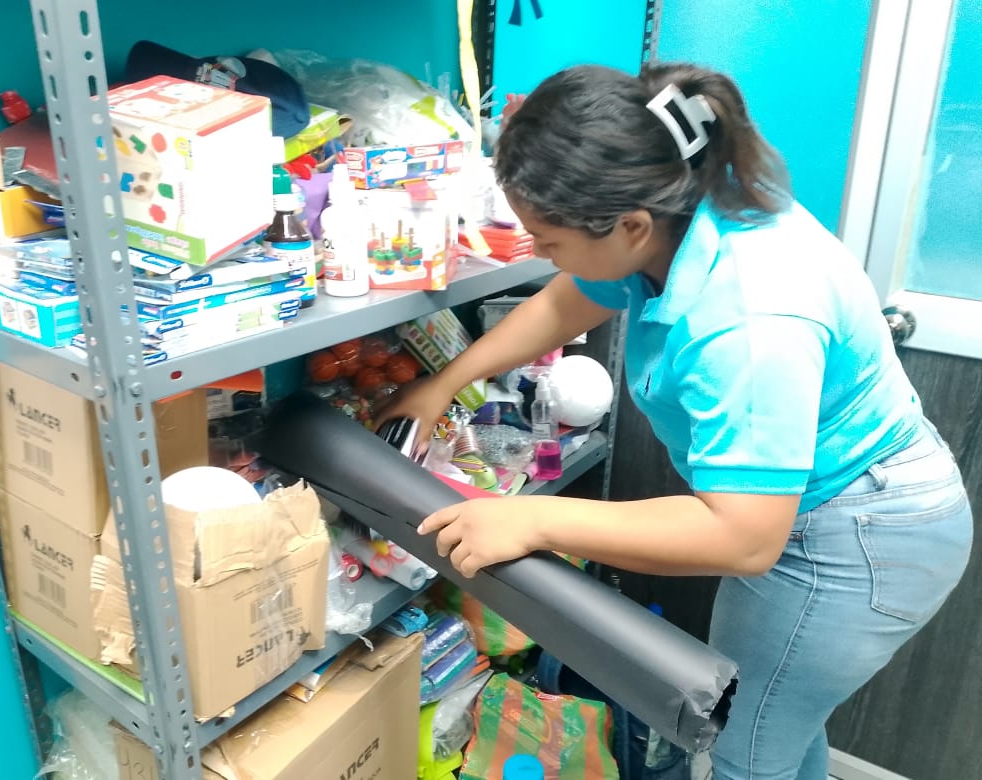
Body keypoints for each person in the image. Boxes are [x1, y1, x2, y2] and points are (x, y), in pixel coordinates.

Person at [374, 62, 973, 779]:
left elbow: (743, 536)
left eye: (549, 240)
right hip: (809, 510)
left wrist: (530, 519)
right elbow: (569, 299)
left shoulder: (750, 317)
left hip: (857, 535)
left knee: (744, 753)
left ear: (629, 227)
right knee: (774, 727)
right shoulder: (677, 205)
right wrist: (445, 383)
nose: (539, 253)